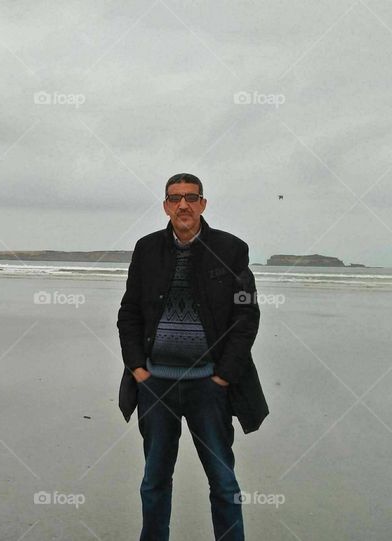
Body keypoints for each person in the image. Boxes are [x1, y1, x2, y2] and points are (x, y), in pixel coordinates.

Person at [117, 173, 268, 541]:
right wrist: (138, 368)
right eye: (174, 198)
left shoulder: (231, 249)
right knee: (154, 480)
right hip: (156, 385)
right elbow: (129, 312)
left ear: (203, 203)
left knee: (222, 479)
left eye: (190, 197)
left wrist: (224, 376)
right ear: (166, 205)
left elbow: (245, 317)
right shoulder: (147, 248)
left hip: (209, 385)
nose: (182, 204)